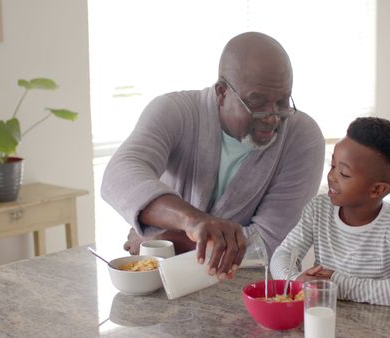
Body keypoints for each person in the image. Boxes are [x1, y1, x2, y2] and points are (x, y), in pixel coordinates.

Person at [101, 32, 325, 280]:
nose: (273, 117)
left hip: (245, 290)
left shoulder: (302, 137)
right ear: (221, 92)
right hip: (159, 280)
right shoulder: (175, 112)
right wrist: (192, 221)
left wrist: (158, 239)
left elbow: (272, 245)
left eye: (282, 102)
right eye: (257, 103)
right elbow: (118, 175)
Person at [270, 117, 390, 308]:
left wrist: (339, 285)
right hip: (329, 316)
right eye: (332, 165)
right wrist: (296, 280)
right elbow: (284, 253)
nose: (331, 177)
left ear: (377, 190)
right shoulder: (319, 209)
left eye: (344, 174)